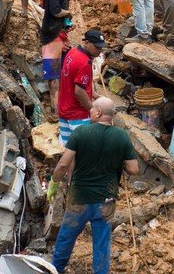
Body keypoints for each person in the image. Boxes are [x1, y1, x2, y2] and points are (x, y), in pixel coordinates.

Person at [49, 95, 139, 274]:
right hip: (105, 200)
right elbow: (134, 170)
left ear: (98, 113)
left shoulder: (81, 132)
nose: (89, 111)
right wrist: (118, 158)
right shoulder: (122, 136)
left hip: (79, 199)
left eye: (91, 109)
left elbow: (63, 164)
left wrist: (54, 183)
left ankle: (54, 270)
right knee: (101, 244)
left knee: (66, 238)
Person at [56, 29, 106, 145]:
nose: (100, 51)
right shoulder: (85, 63)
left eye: (101, 48)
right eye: (97, 47)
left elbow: (78, 81)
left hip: (64, 109)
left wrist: (95, 95)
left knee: (68, 148)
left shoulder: (72, 52)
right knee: (84, 150)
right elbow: (79, 91)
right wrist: (92, 109)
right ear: (87, 42)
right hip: (78, 115)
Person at [41, 0, 73, 112]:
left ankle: (60, 106)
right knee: (54, 76)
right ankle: (55, 110)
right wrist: (69, 13)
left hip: (60, 34)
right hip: (52, 36)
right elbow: (56, 11)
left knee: (61, 73)